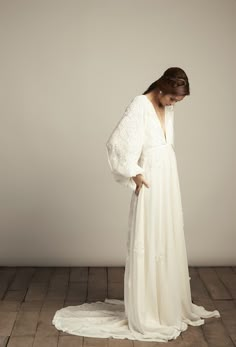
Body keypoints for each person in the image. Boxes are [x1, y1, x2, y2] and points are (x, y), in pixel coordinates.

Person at [52, 67, 220, 342]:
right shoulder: (140, 104)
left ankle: (165, 305)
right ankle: (148, 310)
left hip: (168, 177)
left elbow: (164, 143)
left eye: (178, 101)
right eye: (174, 99)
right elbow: (117, 142)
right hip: (152, 177)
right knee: (150, 237)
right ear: (163, 89)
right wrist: (135, 172)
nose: (174, 105)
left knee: (167, 236)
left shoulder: (167, 106)